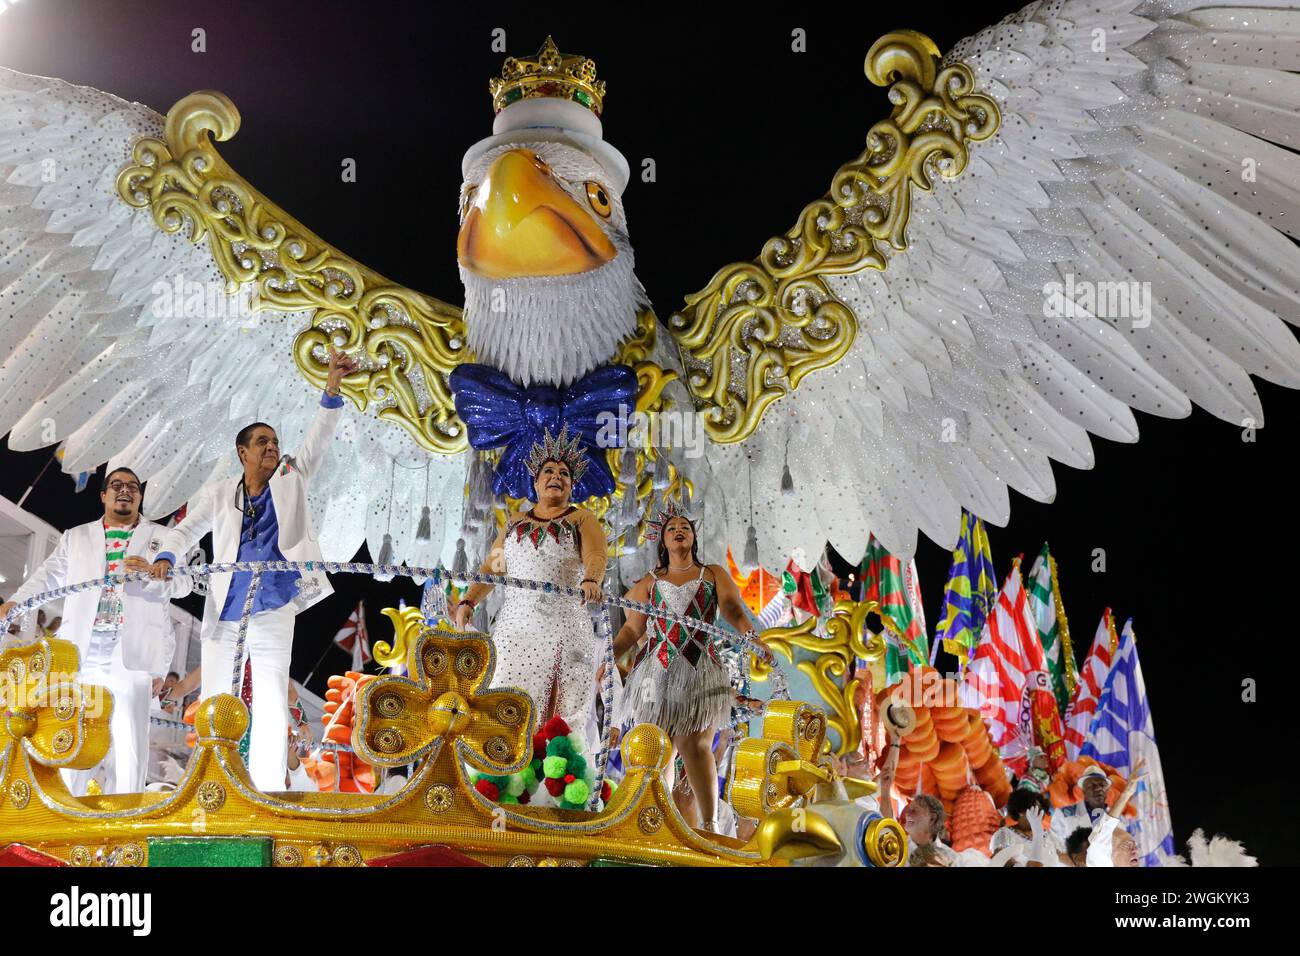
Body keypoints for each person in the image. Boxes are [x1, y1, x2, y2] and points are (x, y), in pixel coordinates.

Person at [149, 347, 355, 791]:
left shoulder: (290, 479)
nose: (272, 448)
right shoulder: (220, 493)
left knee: (270, 697)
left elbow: (317, 442)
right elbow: (184, 531)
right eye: (262, 442)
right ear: (242, 452)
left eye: (275, 441)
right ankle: (214, 784)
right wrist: (167, 556)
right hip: (226, 607)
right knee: (218, 698)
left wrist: (332, 387)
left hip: (274, 604)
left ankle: (266, 791)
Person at [0, 468, 191, 794]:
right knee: (73, 737)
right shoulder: (76, 536)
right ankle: (67, 820)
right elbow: (47, 577)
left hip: (132, 656)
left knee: (129, 747)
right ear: (103, 495)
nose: (124, 491)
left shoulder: (162, 538)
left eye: (132, 487)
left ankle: (125, 827)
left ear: (140, 497)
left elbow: (185, 585)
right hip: (83, 654)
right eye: (116, 485)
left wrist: (155, 573)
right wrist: (15, 603)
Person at [610, 501, 763, 832]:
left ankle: (710, 828)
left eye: (685, 527)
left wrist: (752, 638)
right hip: (657, 674)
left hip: (699, 671)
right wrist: (608, 657)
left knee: (695, 746)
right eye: (671, 529)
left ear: (693, 537)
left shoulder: (712, 574)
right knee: (657, 748)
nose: (679, 531)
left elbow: (734, 609)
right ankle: (656, 825)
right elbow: (631, 630)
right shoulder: (648, 583)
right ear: (663, 543)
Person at [451, 427, 607, 747]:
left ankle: (559, 787)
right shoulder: (514, 523)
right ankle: (503, 782)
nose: (556, 476)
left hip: (564, 632)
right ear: (535, 483)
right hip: (515, 634)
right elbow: (492, 570)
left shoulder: (582, 519)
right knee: (507, 712)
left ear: (572, 486)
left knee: (557, 723)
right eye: (548, 471)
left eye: (564, 473)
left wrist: (591, 579)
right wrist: (468, 601)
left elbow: (595, 555)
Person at [1050, 763, 1113, 843]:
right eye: (1092, 785)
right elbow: (1055, 846)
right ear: (1083, 790)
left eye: (1102, 785)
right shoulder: (1063, 814)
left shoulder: (1117, 817)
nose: (1098, 789)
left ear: (1107, 790)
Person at [901, 794, 957, 866]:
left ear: (932, 819)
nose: (907, 814)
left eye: (914, 811)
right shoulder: (898, 848)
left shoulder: (950, 857)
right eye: (909, 810)